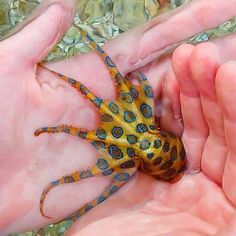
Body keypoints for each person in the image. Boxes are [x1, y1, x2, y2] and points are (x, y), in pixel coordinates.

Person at [1, 0, 236, 235]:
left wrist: (53, 182)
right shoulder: (134, 152)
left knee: (99, 93)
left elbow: (95, 173)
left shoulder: (133, 158)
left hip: (168, 160)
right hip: (161, 155)